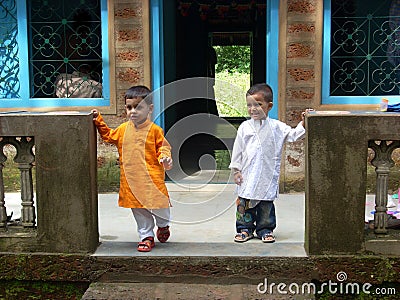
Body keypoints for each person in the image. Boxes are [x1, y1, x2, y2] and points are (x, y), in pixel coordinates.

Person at [91, 85, 173, 252]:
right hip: (132, 181)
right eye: (129, 107)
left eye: (138, 107)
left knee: (160, 208)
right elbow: (108, 136)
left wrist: (164, 157)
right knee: (139, 210)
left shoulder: (155, 130)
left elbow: (163, 147)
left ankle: (163, 225)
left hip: (152, 180)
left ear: (149, 109)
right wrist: (98, 120)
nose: (133, 111)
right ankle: (146, 236)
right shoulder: (122, 130)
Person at [229, 83, 311, 243]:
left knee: (265, 205)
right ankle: (244, 229)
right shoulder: (245, 128)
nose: (253, 109)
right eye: (249, 105)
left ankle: (265, 229)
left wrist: (304, 122)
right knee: (244, 203)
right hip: (247, 174)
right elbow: (237, 149)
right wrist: (236, 170)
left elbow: (294, 135)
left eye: (258, 104)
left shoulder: (277, 127)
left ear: (269, 106)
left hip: (266, 174)